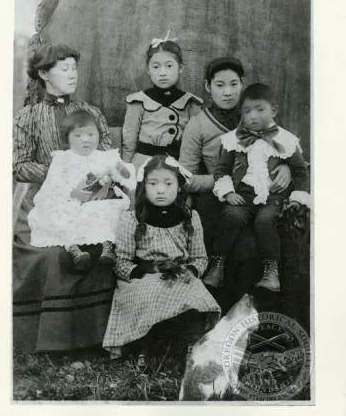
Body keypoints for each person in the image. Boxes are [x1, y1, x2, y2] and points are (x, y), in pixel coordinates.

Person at [13, 43, 116, 352]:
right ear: (44, 74)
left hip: (91, 187)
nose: (73, 74)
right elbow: (18, 165)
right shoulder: (28, 117)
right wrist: (59, 170)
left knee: (105, 231)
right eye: (64, 68)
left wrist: (86, 177)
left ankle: (100, 335)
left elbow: (108, 152)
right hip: (45, 195)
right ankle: (53, 337)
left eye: (75, 68)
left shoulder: (90, 112)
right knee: (52, 251)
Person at [179, 57, 292, 297]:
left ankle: (253, 315)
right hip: (215, 197)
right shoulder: (197, 125)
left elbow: (279, 149)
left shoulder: (257, 116)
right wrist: (223, 183)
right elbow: (185, 177)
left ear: (242, 84)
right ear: (208, 87)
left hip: (257, 195)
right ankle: (221, 313)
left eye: (233, 84)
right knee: (238, 246)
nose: (228, 92)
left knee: (259, 244)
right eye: (220, 85)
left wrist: (286, 168)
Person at [102, 155, 221, 362]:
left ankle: (187, 345)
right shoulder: (133, 219)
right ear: (143, 186)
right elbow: (121, 262)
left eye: (168, 183)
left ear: (179, 187)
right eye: (153, 183)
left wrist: (189, 271)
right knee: (153, 291)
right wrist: (145, 272)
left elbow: (200, 258)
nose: (160, 190)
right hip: (143, 278)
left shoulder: (190, 217)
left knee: (192, 291)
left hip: (178, 274)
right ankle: (145, 348)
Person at [212, 83, 310, 292]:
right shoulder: (235, 139)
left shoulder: (286, 140)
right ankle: (216, 266)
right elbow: (221, 169)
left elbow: (301, 172)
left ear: (273, 110)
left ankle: (271, 273)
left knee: (265, 220)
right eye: (246, 111)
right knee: (232, 216)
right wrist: (228, 192)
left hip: (274, 196)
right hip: (244, 194)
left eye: (259, 109)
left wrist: (296, 198)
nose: (252, 116)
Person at [28, 111, 136, 271]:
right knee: (53, 213)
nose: (85, 139)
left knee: (110, 209)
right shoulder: (62, 158)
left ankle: (107, 246)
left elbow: (124, 177)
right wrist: (69, 194)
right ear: (67, 139)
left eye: (91, 134)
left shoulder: (106, 157)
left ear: (98, 135)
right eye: (78, 135)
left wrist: (122, 170)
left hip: (99, 198)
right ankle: (74, 249)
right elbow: (54, 183)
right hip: (71, 198)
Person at [122, 31, 203, 169]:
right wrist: (124, 173)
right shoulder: (138, 102)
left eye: (169, 66)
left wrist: (188, 173)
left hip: (178, 165)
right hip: (143, 165)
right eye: (156, 66)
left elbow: (195, 144)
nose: (162, 72)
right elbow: (129, 142)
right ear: (148, 69)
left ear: (181, 67)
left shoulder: (191, 103)